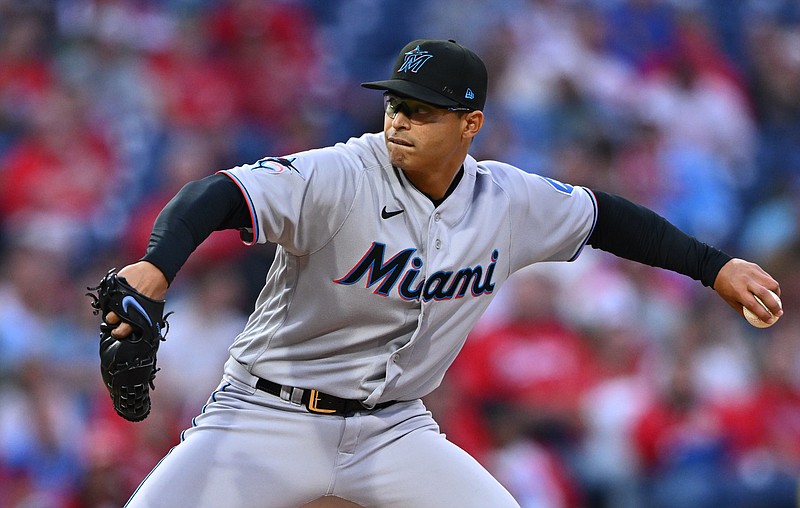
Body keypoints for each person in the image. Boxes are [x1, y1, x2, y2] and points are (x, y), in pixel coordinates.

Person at [104, 39, 782, 508]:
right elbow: (215, 195)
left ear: (470, 124)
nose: (399, 121)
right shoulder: (339, 173)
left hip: (394, 430)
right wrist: (157, 266)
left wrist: (713, 267)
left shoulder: (506, 200)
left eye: (422, 112)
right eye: (396, 104)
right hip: (266, 413)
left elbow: (608, 217)